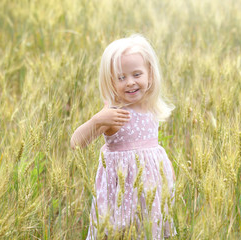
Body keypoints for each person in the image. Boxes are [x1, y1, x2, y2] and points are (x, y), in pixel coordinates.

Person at [70, 34, 175, 239]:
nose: (130, 82)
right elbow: (76, 143)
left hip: (150, 193)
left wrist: (168, 178)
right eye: (121, 77)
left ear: (150, 75)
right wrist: (97, 120)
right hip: (120, 195)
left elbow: (154, 152)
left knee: (147, 232)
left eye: (137, 74)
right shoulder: (114, 113)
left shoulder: (151, 108)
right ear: (111, 81)